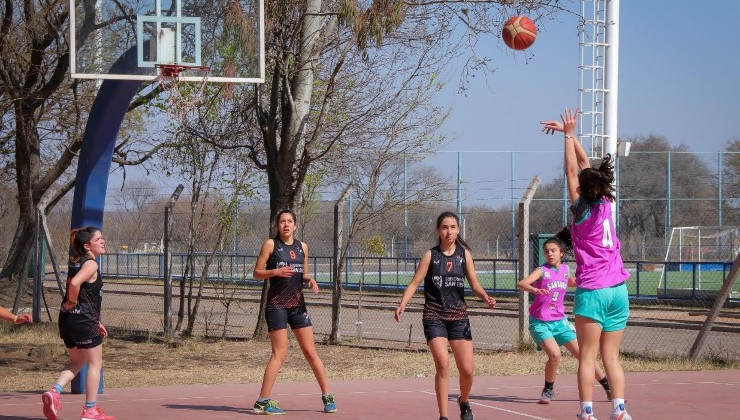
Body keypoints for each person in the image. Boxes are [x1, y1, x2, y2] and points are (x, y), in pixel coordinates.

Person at [541, 109, 632, 420]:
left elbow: (572, 170)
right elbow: (586, 169)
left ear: (584, 188)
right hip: (618, 290)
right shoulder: (606, 203)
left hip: (593, 290)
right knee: (612, 358)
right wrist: (571, 134)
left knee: (587, 358)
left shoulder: (581, 210)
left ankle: (587, 413)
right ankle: (619, 410)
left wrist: (567, 135)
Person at [395, 211, 496, 420]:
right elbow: (414, 283)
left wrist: (485, 296)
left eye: (452, 227)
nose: (449, 231)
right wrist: (402, 304)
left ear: (458, 230)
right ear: (438, 231)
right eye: (444, 227)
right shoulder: (431, 255)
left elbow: (475, 285)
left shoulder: (464, 255)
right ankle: (443, 416)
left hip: (459, 316)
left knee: (467, 371)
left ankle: (464, 401)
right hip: (434, 315)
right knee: (443, 364)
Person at [252, 209, 336, 415]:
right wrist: (275, 272)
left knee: (311, 352)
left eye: (290, 221)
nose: (286, 224)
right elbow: (256, 273)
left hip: (298, 306)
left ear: (295, 225)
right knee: (279, 353)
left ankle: (327, 396)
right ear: (277, 225)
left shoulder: (302, 247)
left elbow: (303, 272)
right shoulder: (271, 245)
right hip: (277, 306)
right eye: (282, 221)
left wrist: (310, 279)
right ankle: (262, 401)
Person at [517, 236, 611, 404]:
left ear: (561, 253)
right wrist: (534, 290)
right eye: (546, 252)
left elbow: (574, 282)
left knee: (584, 356)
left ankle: (608, 387)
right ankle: (548, 390)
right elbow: (522, 283)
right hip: (540, 322)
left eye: (553, 251)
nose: (549, 254)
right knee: (555, 354)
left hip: (560, 322)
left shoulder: (566, 270)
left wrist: (592, 275)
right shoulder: (542, 271)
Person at [42, 227, 114, 420]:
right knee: (94, 363)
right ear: (87, 245)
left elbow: (83, 294)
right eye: (98, 239)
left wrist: (94, 320)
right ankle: (90, 410)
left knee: (76, 361)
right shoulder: (91, 265)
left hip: (68, 319)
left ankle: (55, 391)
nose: (103, 241)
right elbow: (74, 286)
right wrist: (75, 304)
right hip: (82, 319)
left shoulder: (76, 262)